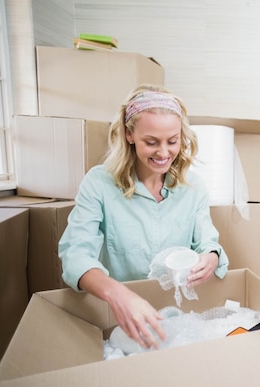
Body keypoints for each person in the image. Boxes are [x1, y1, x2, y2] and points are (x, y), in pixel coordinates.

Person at [58, 84, 228, 351]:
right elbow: (75, 254)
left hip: (175, 316)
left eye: (172, 141)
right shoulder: (99, 183)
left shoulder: (192, 188)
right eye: (151, 142)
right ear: (129, 134)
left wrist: (210, 257)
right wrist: (117, 294)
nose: (163, 153)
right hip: (118, 318)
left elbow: (208, 242)